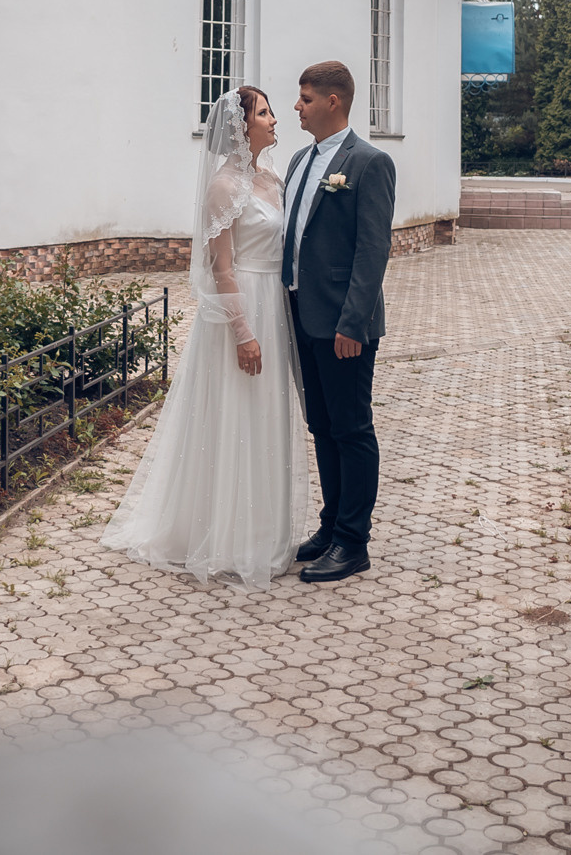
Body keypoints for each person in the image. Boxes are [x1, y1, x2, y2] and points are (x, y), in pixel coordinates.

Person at [101, 86, 306, 588]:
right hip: (244, 308)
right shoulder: (224, 187)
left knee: (267, 413)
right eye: (264, 112)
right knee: (235, 412)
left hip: (274, 306)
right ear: (242, 127)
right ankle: (225, 536)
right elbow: (222, 268)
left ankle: (264, 529)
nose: (275, 119)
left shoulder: (271, 176)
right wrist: (242, 331)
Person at [280, 60, 393, 582]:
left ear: (333, 102)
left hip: (345, 325)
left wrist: (354, 323)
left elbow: (373, 251)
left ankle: (354, 540)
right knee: (321, 426)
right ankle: (330, 525)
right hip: (303, 318)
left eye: (304, 98)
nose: (297, 107)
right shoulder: (301, 160)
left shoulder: (369, 163)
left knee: (351, 428)